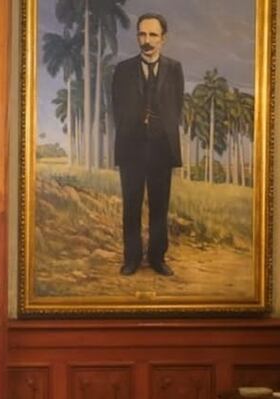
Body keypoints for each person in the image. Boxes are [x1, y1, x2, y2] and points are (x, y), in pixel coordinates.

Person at [111, 12, 184, 277]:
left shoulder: (174, 69)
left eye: (153, 35)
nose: (147, 40)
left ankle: (156, 258)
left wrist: (159, 131)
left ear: (163, 39)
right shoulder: (122, 70)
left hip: (161, 151)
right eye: (142, 34)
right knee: (131, 206)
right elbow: (117, 109)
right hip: (131, 150)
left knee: (159, 208)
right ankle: (131, 259)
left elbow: (177, 108)